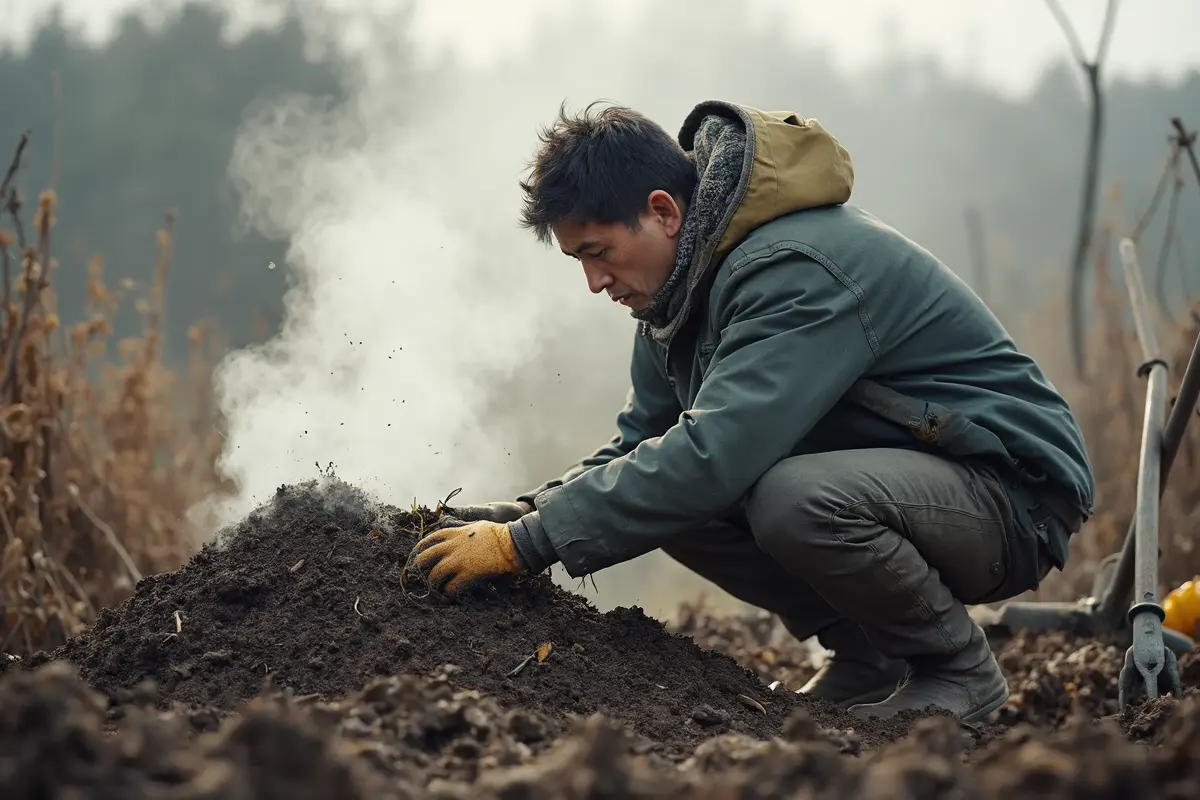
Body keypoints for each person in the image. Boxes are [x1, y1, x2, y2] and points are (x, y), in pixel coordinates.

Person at [410, 99, 1095, 724]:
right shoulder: (675, 296)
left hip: (1009, 495)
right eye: (578, 261)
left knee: (785, 497)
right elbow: (643, 445)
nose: (594, 282)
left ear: (664, 212)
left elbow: (715, 454)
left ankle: (958, 671)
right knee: (665, 498)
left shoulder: (793, 269)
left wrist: (525, 546)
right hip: (914, 482)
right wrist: (523, 513)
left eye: (598, 253)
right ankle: (867, 656)